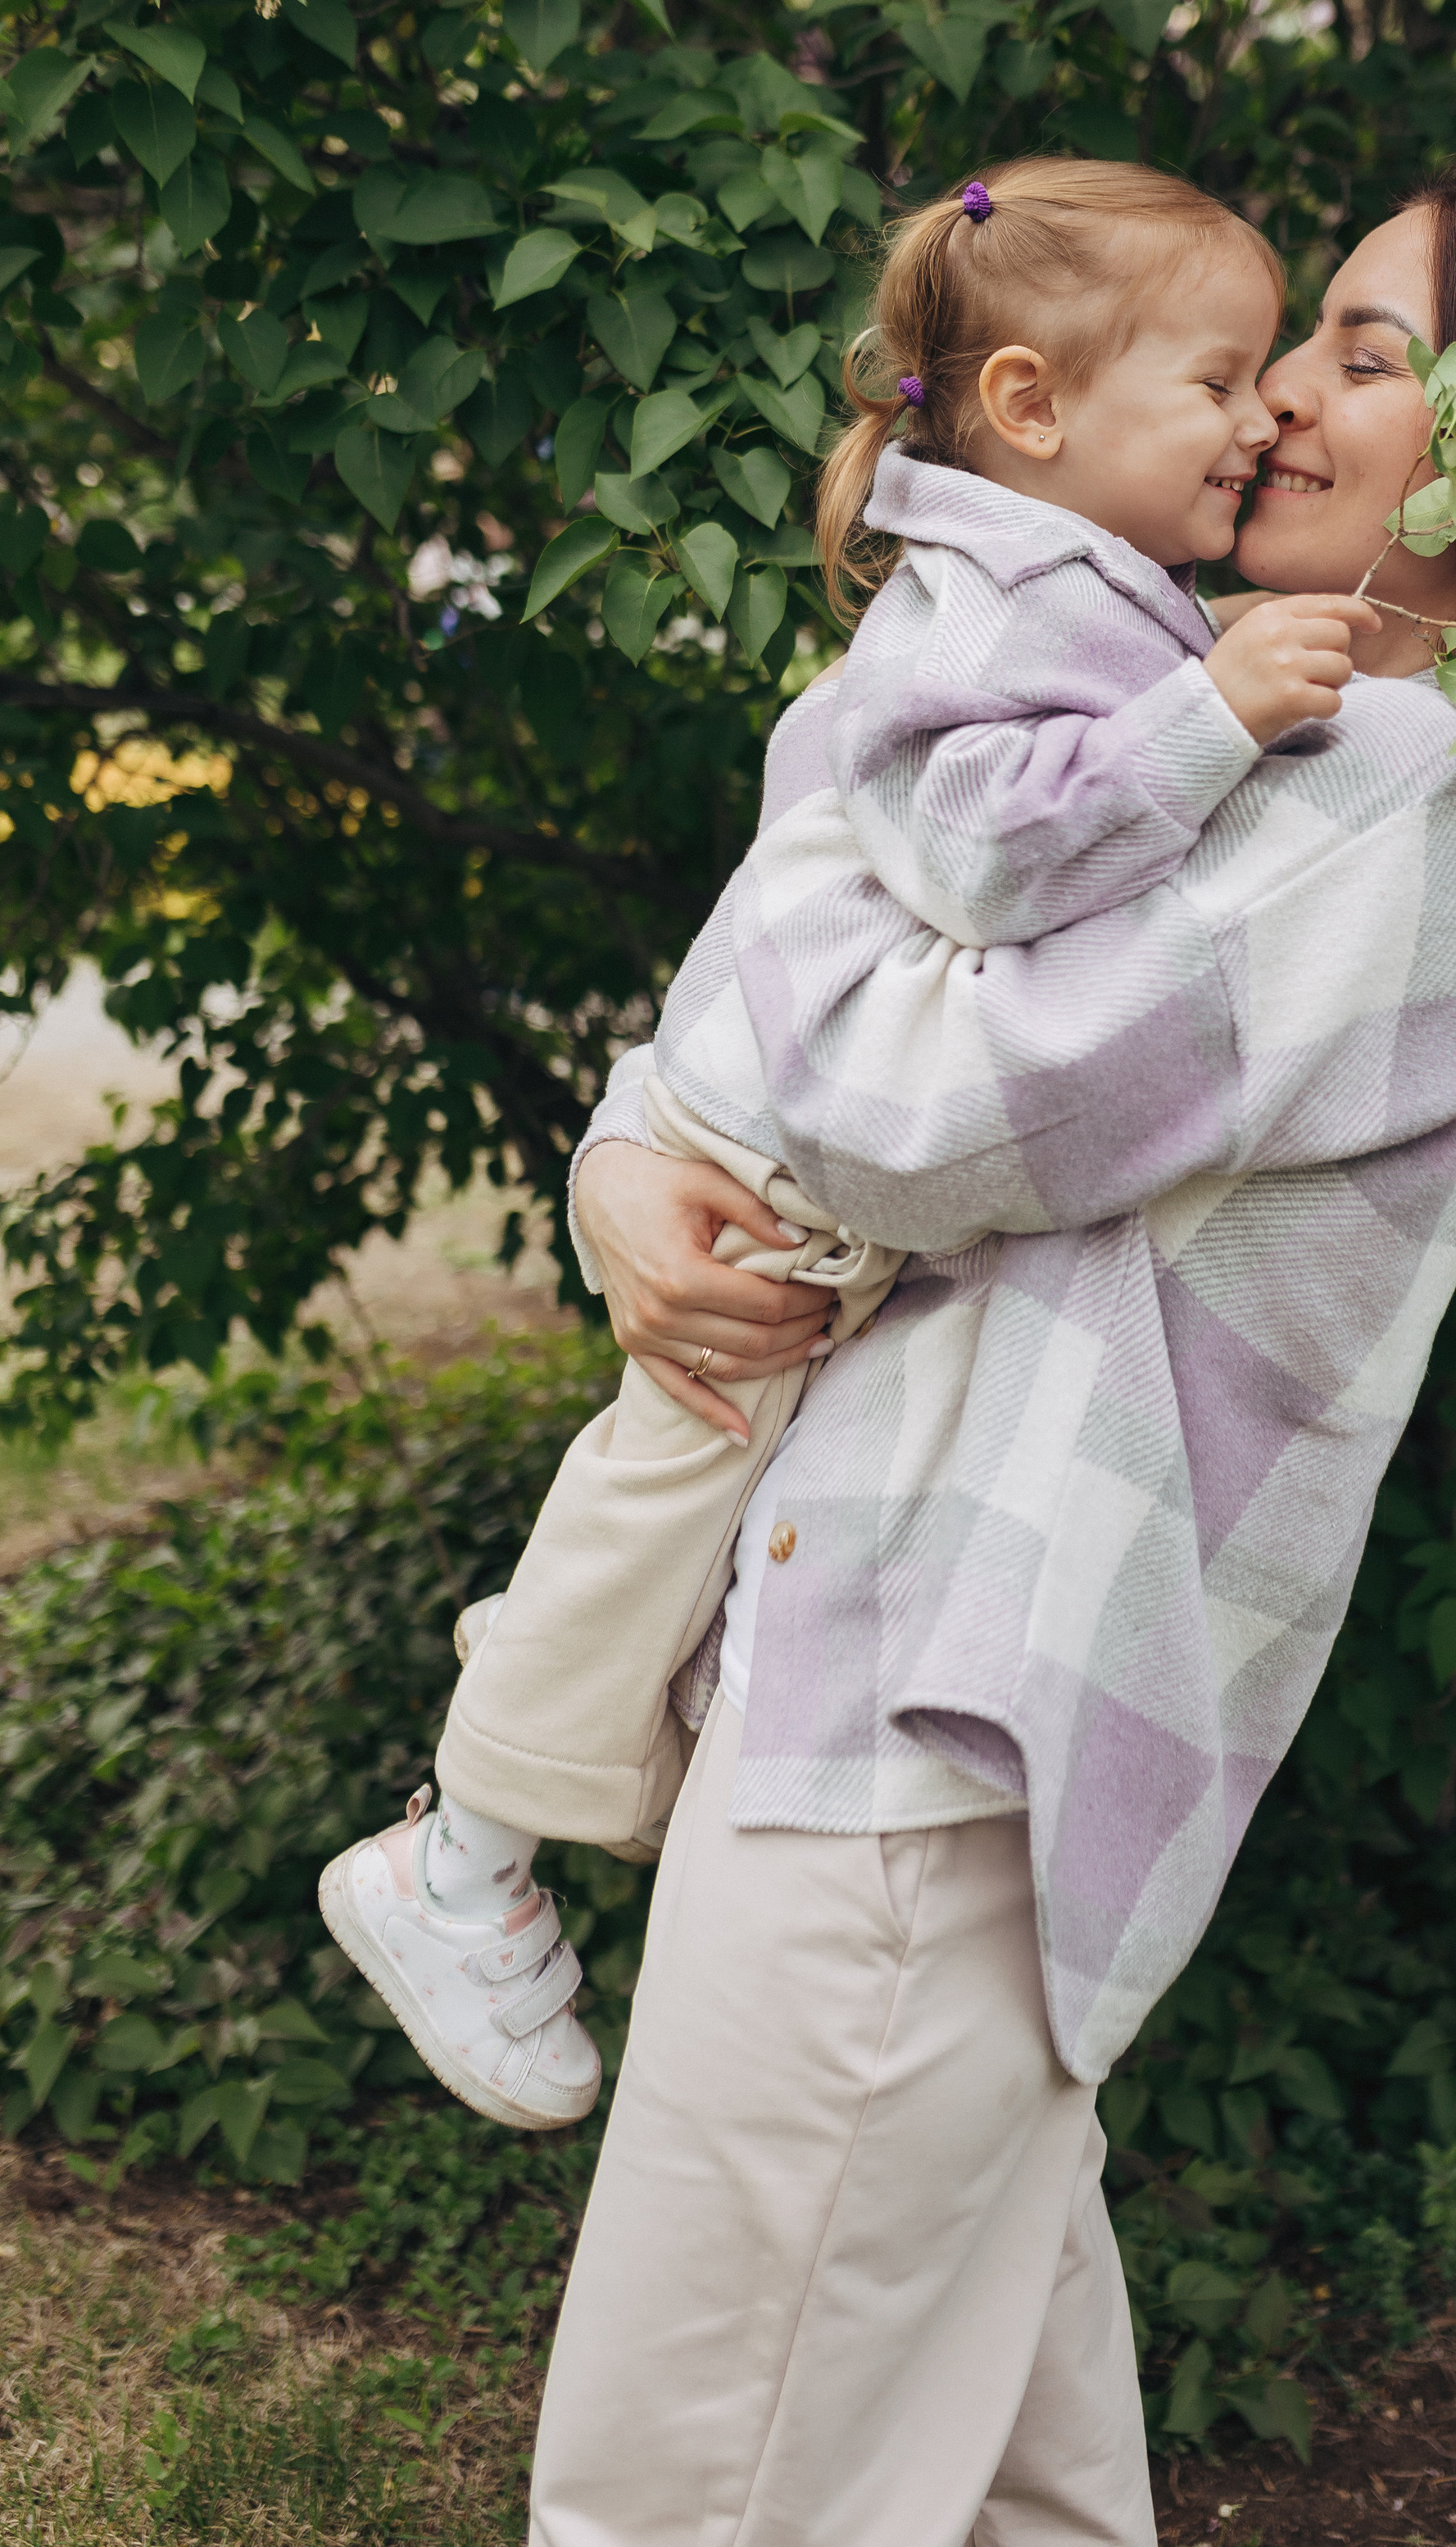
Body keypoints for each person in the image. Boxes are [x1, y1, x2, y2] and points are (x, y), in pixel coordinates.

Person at [528, 157, 1456, 2547]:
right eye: (1299, 336)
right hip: (928, 1704)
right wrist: (633, 1151)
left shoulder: (1395, 804)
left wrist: (649, 1131)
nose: (1283, 397)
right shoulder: (1235, 751)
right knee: (1009, 2497)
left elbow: (905, 1110)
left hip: (934, 1726)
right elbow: (853, 932)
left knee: (699, 2494)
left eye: (1372, 351)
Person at [317, 161, 1384, 2132]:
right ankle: (456, 1851)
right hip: (788, 1138)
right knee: (670, 1470)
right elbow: (972, 853)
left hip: (777, 1111)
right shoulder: (1008, 604)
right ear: (1032, 410)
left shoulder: (1060, 583)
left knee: (682, 1484)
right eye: (1222, 378)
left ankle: (501, 1774)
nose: (1264, 418)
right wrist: (1204, 723)